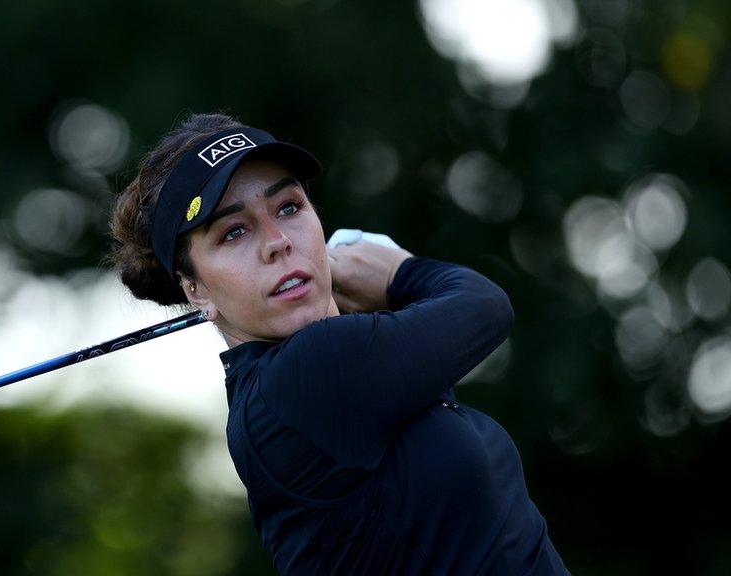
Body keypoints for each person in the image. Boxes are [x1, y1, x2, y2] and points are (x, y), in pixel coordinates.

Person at [105, 112, 570, 575]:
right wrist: (397, 273)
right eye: (234, 232)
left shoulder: (318, 374)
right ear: (196, 289)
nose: (278, 242)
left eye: (288, 207)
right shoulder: (305, 374)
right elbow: (484, 307)